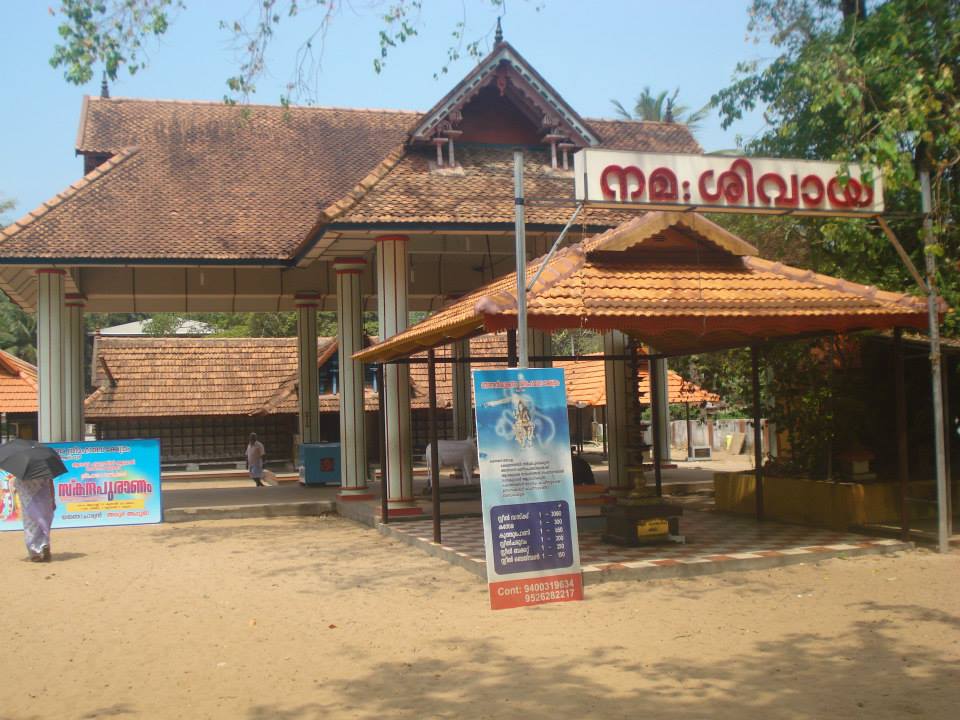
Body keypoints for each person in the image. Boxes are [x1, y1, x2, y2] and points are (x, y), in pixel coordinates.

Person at [16, 467, 56, 562]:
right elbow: (51, 484)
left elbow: (17, 486)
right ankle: (44, 545)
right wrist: (53, 500)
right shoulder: (44, 470)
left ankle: (34, 553)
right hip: (44, 501)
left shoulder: (20, 473)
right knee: (44, 524)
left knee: (30, 526)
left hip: (29, 503)